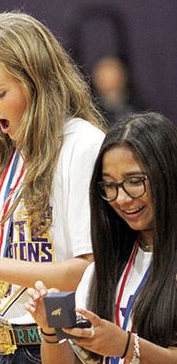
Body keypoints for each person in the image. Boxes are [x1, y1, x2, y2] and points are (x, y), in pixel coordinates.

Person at [0, 11, 106, 363]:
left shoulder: (83, 145)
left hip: (49, 347)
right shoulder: (0, 152)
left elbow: (86, 271)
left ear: (37, 82)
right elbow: (2, 275)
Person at [25, 112, 177, 363]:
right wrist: (52, 330)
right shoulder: (103, 269)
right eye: (110, 186)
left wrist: (128, 346)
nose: (122, 198)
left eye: (135, 181)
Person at [91, 55, 142, 125]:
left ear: (123, 77)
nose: (109, 80)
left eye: (113, 75)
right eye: (105, 77)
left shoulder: (136, 103)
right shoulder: (92, 108)